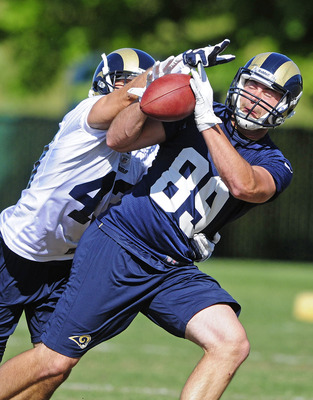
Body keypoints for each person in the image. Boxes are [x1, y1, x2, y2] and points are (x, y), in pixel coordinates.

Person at [0, 46, 303, 399]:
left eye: (270, 92)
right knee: (54, 362)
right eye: (253, 85)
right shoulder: (195, 114)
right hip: (121, 246)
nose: (256, 98)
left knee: (231, 343)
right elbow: (118, 138)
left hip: (172, 266)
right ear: (239, 83)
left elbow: (243, 184)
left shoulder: (276, 162)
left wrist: (208, 122)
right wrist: (149, 97)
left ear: (286, 106)